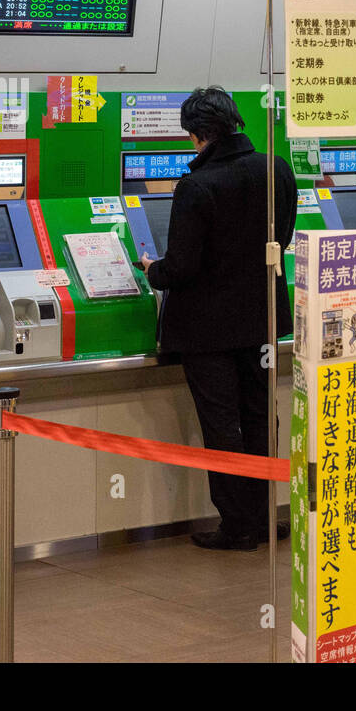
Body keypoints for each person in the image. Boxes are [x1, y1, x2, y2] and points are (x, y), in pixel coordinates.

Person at [141, 86, 296, 551]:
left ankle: (238, 526)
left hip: (208, 331)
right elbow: (281, 238)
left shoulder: (197, 186)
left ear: (196, 135)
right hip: (262, 319)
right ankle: (265, 517)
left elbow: (182, 266)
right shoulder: (276, 168)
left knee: (222, 424)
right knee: (259, 416)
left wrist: (153, 271)